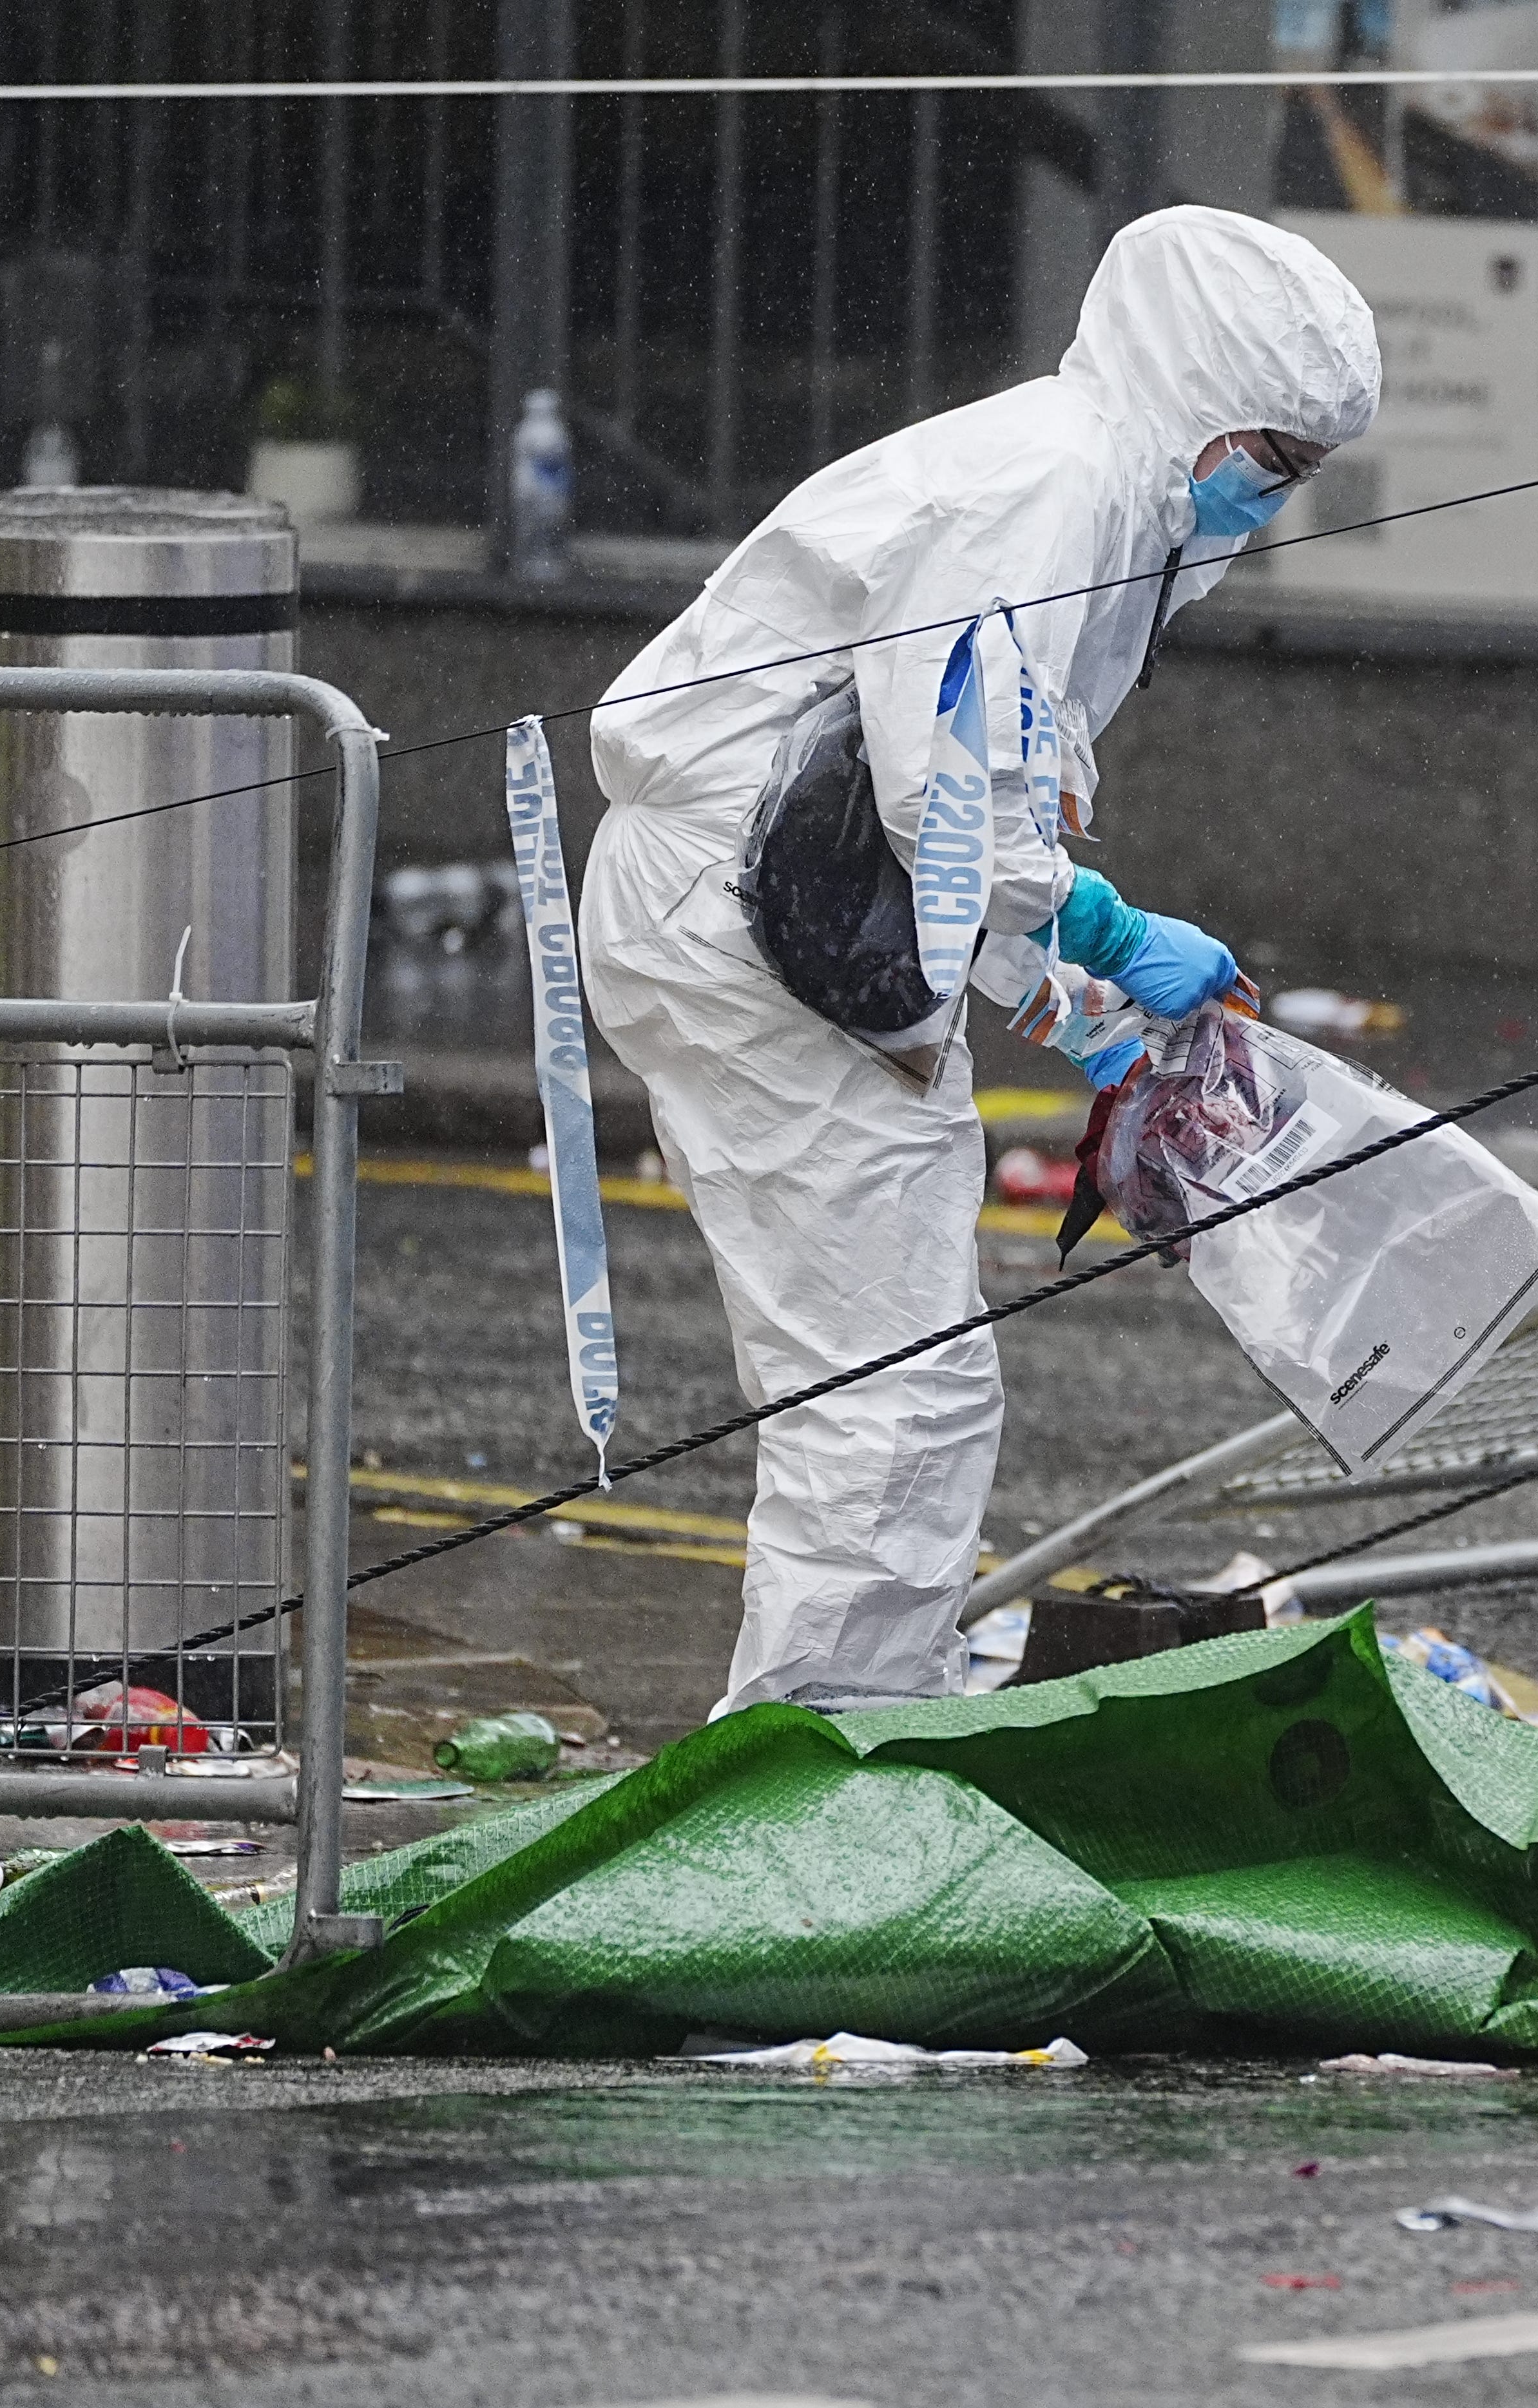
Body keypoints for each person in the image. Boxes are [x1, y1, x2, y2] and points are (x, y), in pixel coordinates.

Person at [581, 207, 1380, 1714]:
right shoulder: (1056, 486)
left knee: (898, 1391)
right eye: (1270, 458)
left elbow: (954, 818)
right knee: (892, 1402)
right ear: (1203, 399)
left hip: (793, 921)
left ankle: (843, 1750)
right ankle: (809, 1799)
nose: (1271, 498)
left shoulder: (1094, 491)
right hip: (751, 921)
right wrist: (1107, 939)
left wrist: (1079, 1009)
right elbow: (947, 804)